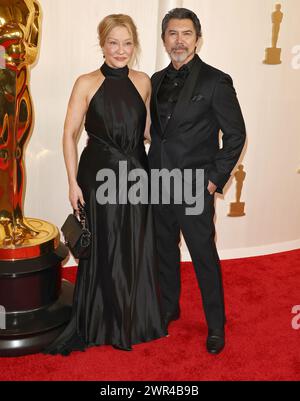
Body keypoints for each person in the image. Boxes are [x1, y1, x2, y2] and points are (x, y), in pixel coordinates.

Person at [43, 14, 167, 355]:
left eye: (127, 43)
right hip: (98, 175)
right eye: (114, 42)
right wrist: (72, 183)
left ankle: (135, 320)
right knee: (106, 245)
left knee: (136, 243)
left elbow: (147, 131)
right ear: (102, 44)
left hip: (136, 172)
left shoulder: (143, 82)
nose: (121, 50)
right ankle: (103, 321)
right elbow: (68, 135)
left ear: (135, 46)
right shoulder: (86, 82)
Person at [148, 8, 246, 354]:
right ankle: (168, 308)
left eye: (186, 33)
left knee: (203, 255)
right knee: (163, 252)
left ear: (197, 38)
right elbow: (156, 134)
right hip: (157, 183)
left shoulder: (216, 81)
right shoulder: (155, 80)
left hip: (194, 185)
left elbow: (235, 136)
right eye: (172, 34)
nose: (179, 40)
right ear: (164, 40)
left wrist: (213, 179)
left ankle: (215, 324)